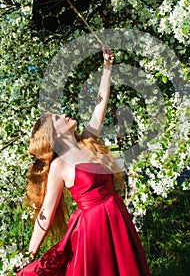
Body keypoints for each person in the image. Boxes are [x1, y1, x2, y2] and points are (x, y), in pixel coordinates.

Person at [17, 48, 151, 276]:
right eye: (59, 119)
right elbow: (46, 212)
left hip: (116, 216)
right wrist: (29, 254)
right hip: (93, 229)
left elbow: (100, 104)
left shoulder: (87, 141)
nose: (65, 115)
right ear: (54, 135)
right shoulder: (59, 166)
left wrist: (107, 68)